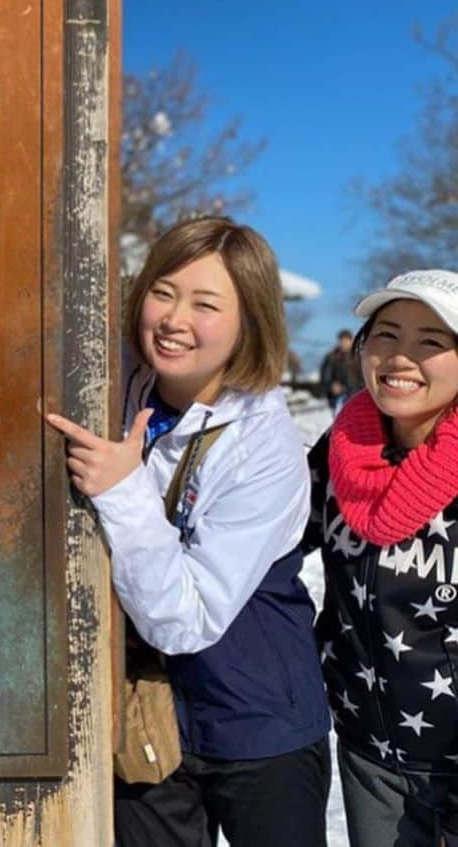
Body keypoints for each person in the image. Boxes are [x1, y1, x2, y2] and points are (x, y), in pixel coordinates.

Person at [47, 216, 330, 847]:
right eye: (163, 291)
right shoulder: (120, 381)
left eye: (206, 304)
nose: (175, 319)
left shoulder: (265, 444)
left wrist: (123, 491)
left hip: (259, 719)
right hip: (148, 715)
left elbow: (185, 619)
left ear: (249, 322)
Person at [306, 269, 458, 847]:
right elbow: (265, 542)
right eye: (387, 335)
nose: (401, 357)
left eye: (431, 342)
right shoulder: (339, 452)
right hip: (369, 753)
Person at [320, 328, 360, 412]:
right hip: (336, 397)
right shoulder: (331, 357)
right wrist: (331, 386)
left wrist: (350, 388)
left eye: (346, 340)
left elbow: (365, 380)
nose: (344, 343)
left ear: (351, 341)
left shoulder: (358, 357)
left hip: (356, 396)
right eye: (342, 341)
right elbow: (325, 376)